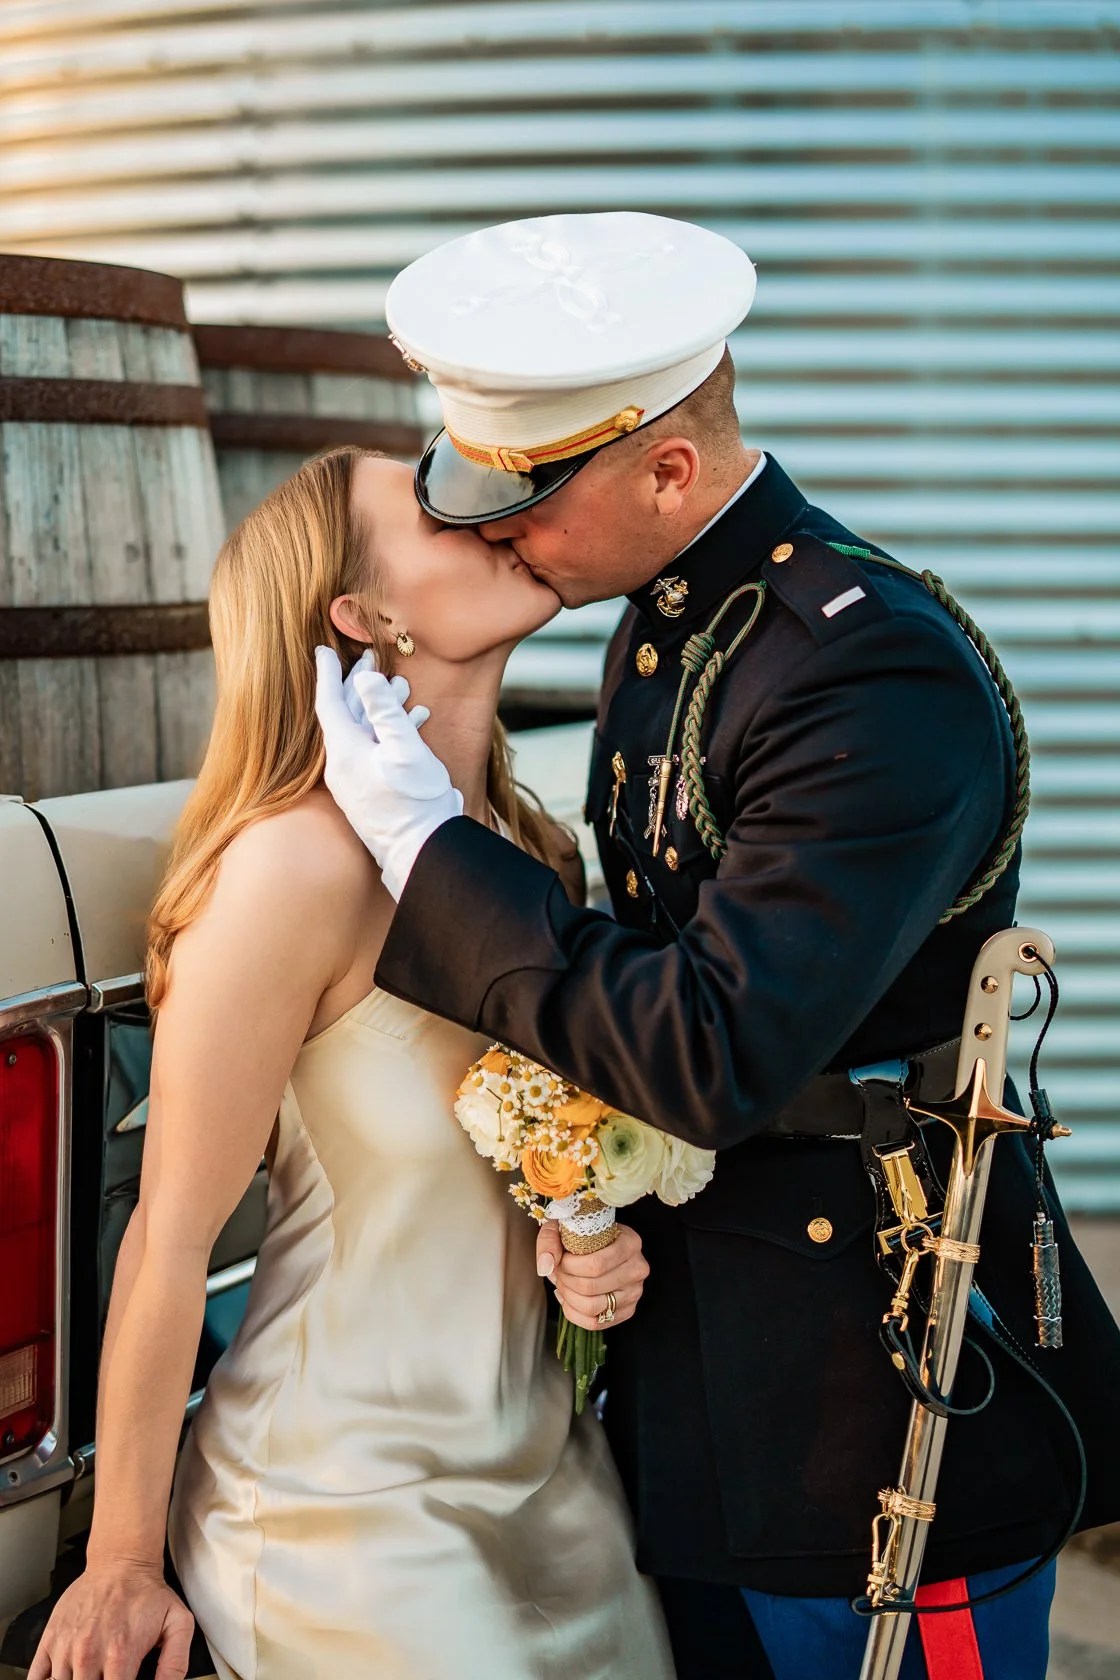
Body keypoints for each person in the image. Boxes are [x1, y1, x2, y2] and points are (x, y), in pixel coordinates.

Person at [315, 211, 1120, 1680]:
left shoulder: (866, 670)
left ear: (667, 468)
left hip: (873, 1409)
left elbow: (708, 1044)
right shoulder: (677, 624)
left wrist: (431, 846)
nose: (490, 531)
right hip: (706, 1375)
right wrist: (586, 1199)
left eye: (525, 501)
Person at [29, 447, 673, 1680]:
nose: (492, 514)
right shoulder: (293, 870)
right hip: (344, 1504)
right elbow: (167, 1242)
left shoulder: (533, 857)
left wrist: (586, 1234)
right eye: (434, 512)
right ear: (364, 617)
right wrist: (121, 1561)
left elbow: (528, 1157)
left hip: (555, 1484)